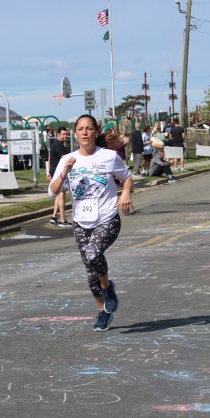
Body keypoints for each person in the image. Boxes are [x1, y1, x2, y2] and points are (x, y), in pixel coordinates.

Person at [48, 115, 134, 332]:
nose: (85, 132)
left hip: (107, 218)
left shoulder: (109, 156)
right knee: (90, 273)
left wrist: (125, 193)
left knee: (93, 254)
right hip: (81, 222)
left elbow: (127, 178)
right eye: (80, 129)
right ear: (75, 133)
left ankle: (108, 288)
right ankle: (103, 311)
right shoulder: (67, 159)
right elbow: (53, 191)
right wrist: (65, 172)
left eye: (89, 128)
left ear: (95, 132)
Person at [46, 127, 71, 226]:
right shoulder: (59, 146)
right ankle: (62, 220)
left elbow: (49, 158)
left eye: (66, 134)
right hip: (59, 173)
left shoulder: (55, 144)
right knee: (61, 195)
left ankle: (54, 216)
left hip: (54, 172)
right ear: (58, 134)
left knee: (58, 194)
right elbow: (66, 159)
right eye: (63, 134)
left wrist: (49, 172)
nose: (65, 136)